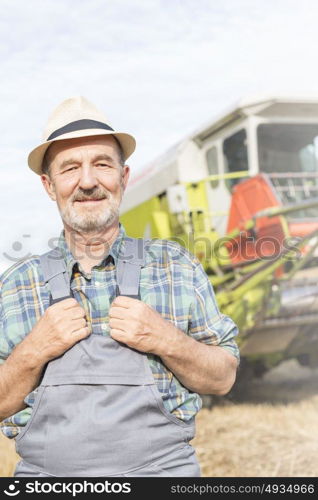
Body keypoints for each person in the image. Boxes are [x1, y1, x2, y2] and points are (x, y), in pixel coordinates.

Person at [0, 96, 239, 477]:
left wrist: (165, 338)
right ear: (49, 185)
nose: (88, 181)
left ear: (123, 178)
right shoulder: (15, 287)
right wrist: (32, 352)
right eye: (70, 168)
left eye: (102, 164)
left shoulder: (176, 267)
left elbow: (223, 377)